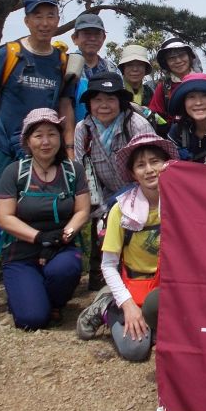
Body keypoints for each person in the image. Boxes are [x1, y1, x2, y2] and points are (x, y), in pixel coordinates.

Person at [0, 0, 76, 319]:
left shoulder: (61, 59)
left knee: (54, 213)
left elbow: (66, 105)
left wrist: (68, 147)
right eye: (37, 16)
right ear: (27, 20)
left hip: (48, 150)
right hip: (6, 150)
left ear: (57, 20)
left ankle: (48, 281)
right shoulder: (9, 54)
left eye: (50, 16)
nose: (44, 22)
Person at [76, 134, 179, 360]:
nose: (150, 170)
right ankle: (107, 306)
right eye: (141, 165)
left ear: (167, 164)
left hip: (170, 288)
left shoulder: (182, 202)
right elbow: (109, 264)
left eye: (155, 162)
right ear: (133, 174)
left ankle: (154, 323)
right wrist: (128, 304)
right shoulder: (121, 210)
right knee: (135, 349)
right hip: (134, 287)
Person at [0, 108, 90, 330]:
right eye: (38, 135)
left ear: (60, 137)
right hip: (21, 250)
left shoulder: (72, 170)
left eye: (52, 134)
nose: (46, 142)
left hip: (61, 245)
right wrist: (40, 238)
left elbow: (82, 211)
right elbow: (4, 217)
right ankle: (30, 298)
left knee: (66, 268)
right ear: (28, 141)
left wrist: (62, 237)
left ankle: (53, 301)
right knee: (32, 320)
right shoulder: (15, 172)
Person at [75, 73, 156, 289]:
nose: (104, 105)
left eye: (110, 99)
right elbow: (84, 172)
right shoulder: (83, 130)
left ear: (120, 101)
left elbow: (151, 167)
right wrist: (102, 208)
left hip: (140, 194)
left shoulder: (136, 124)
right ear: (89, 103)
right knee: (102, 233)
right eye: (98, 100)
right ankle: (100, 282)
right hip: (104, 195)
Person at [167, 72, 206, 162]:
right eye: (191, 97)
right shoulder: (177, 131)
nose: (198, 102)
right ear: (184, 103)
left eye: (204, 95)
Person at [71, 13, 118, 121]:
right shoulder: (66, 65)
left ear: (104, 38)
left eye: (97, 34)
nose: (92, 38)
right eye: (87, 34)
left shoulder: (111, 69)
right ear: (75, 38)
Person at [148, 37, 202, 123]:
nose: (178, 61)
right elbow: (154, 113)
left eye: (182, 55)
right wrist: (164, 127)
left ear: (189, 56)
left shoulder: (204, 82)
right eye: (171, 58)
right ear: (166, 63)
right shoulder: (164, 87)